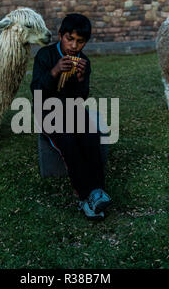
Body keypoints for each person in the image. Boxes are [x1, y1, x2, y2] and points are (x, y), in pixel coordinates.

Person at [30, 13, 112, 220]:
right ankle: (85, 196)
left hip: (73, 108)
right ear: (60, 35)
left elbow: (81, 97)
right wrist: (55, 72)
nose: (74, 46)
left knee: (91, 136)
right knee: (67, 140)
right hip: (47, 111)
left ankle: (98, 191)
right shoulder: (44, 56)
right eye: (70, 39)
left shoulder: (83, 61)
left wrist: (81, 79)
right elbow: (37, 91)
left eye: (80, 41)